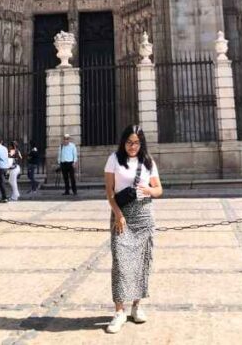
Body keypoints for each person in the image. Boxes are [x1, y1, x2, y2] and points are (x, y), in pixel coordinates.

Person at [103, 125, 162, 334]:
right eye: (129, 142)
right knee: (120, 262)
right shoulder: (114, 159)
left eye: (136, 142)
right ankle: (119, 311)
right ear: (123, 142)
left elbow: (159, 189)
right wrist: (118, 215)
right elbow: (109, 192)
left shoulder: (148, 161)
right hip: (122, 215)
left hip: (144, 215)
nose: (133, 146)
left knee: (142, 262)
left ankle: (137, 306)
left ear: (141, 143)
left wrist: (149, 190)